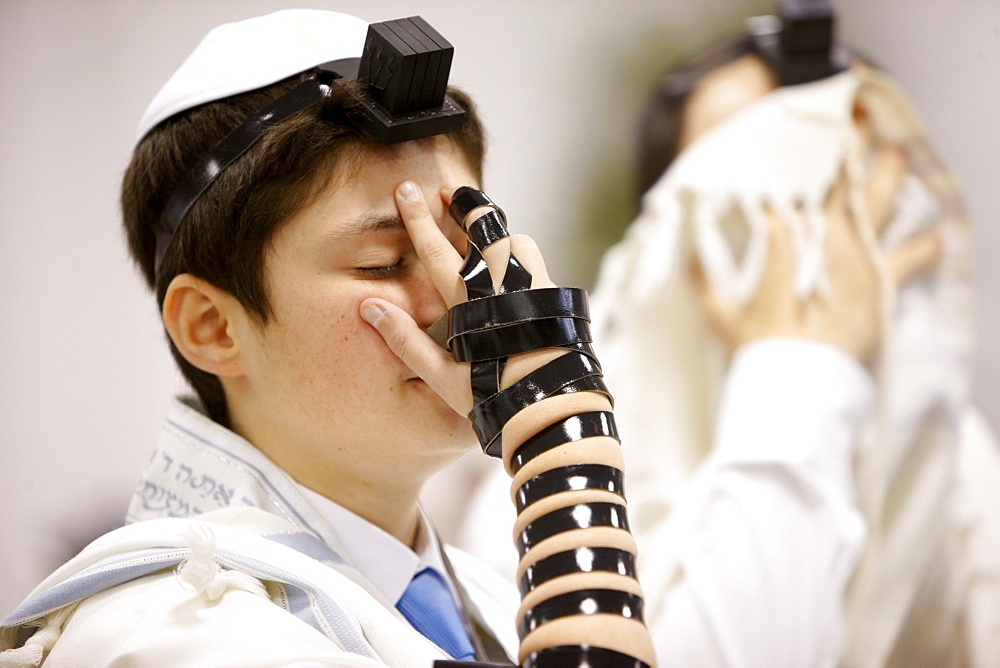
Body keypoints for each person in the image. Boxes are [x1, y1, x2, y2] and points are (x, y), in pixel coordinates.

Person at [0, 9, 656, 666]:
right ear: (213, 326)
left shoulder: (492, 597)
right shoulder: (164, 629)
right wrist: (567, 455)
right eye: (385, 263)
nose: (456, 301)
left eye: (463, 253)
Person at [451, 5, 1000, 665]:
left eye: (840, 187)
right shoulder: (554, 453)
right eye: (752, 186)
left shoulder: (948, 454)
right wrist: (800, 365)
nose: (814, 235)